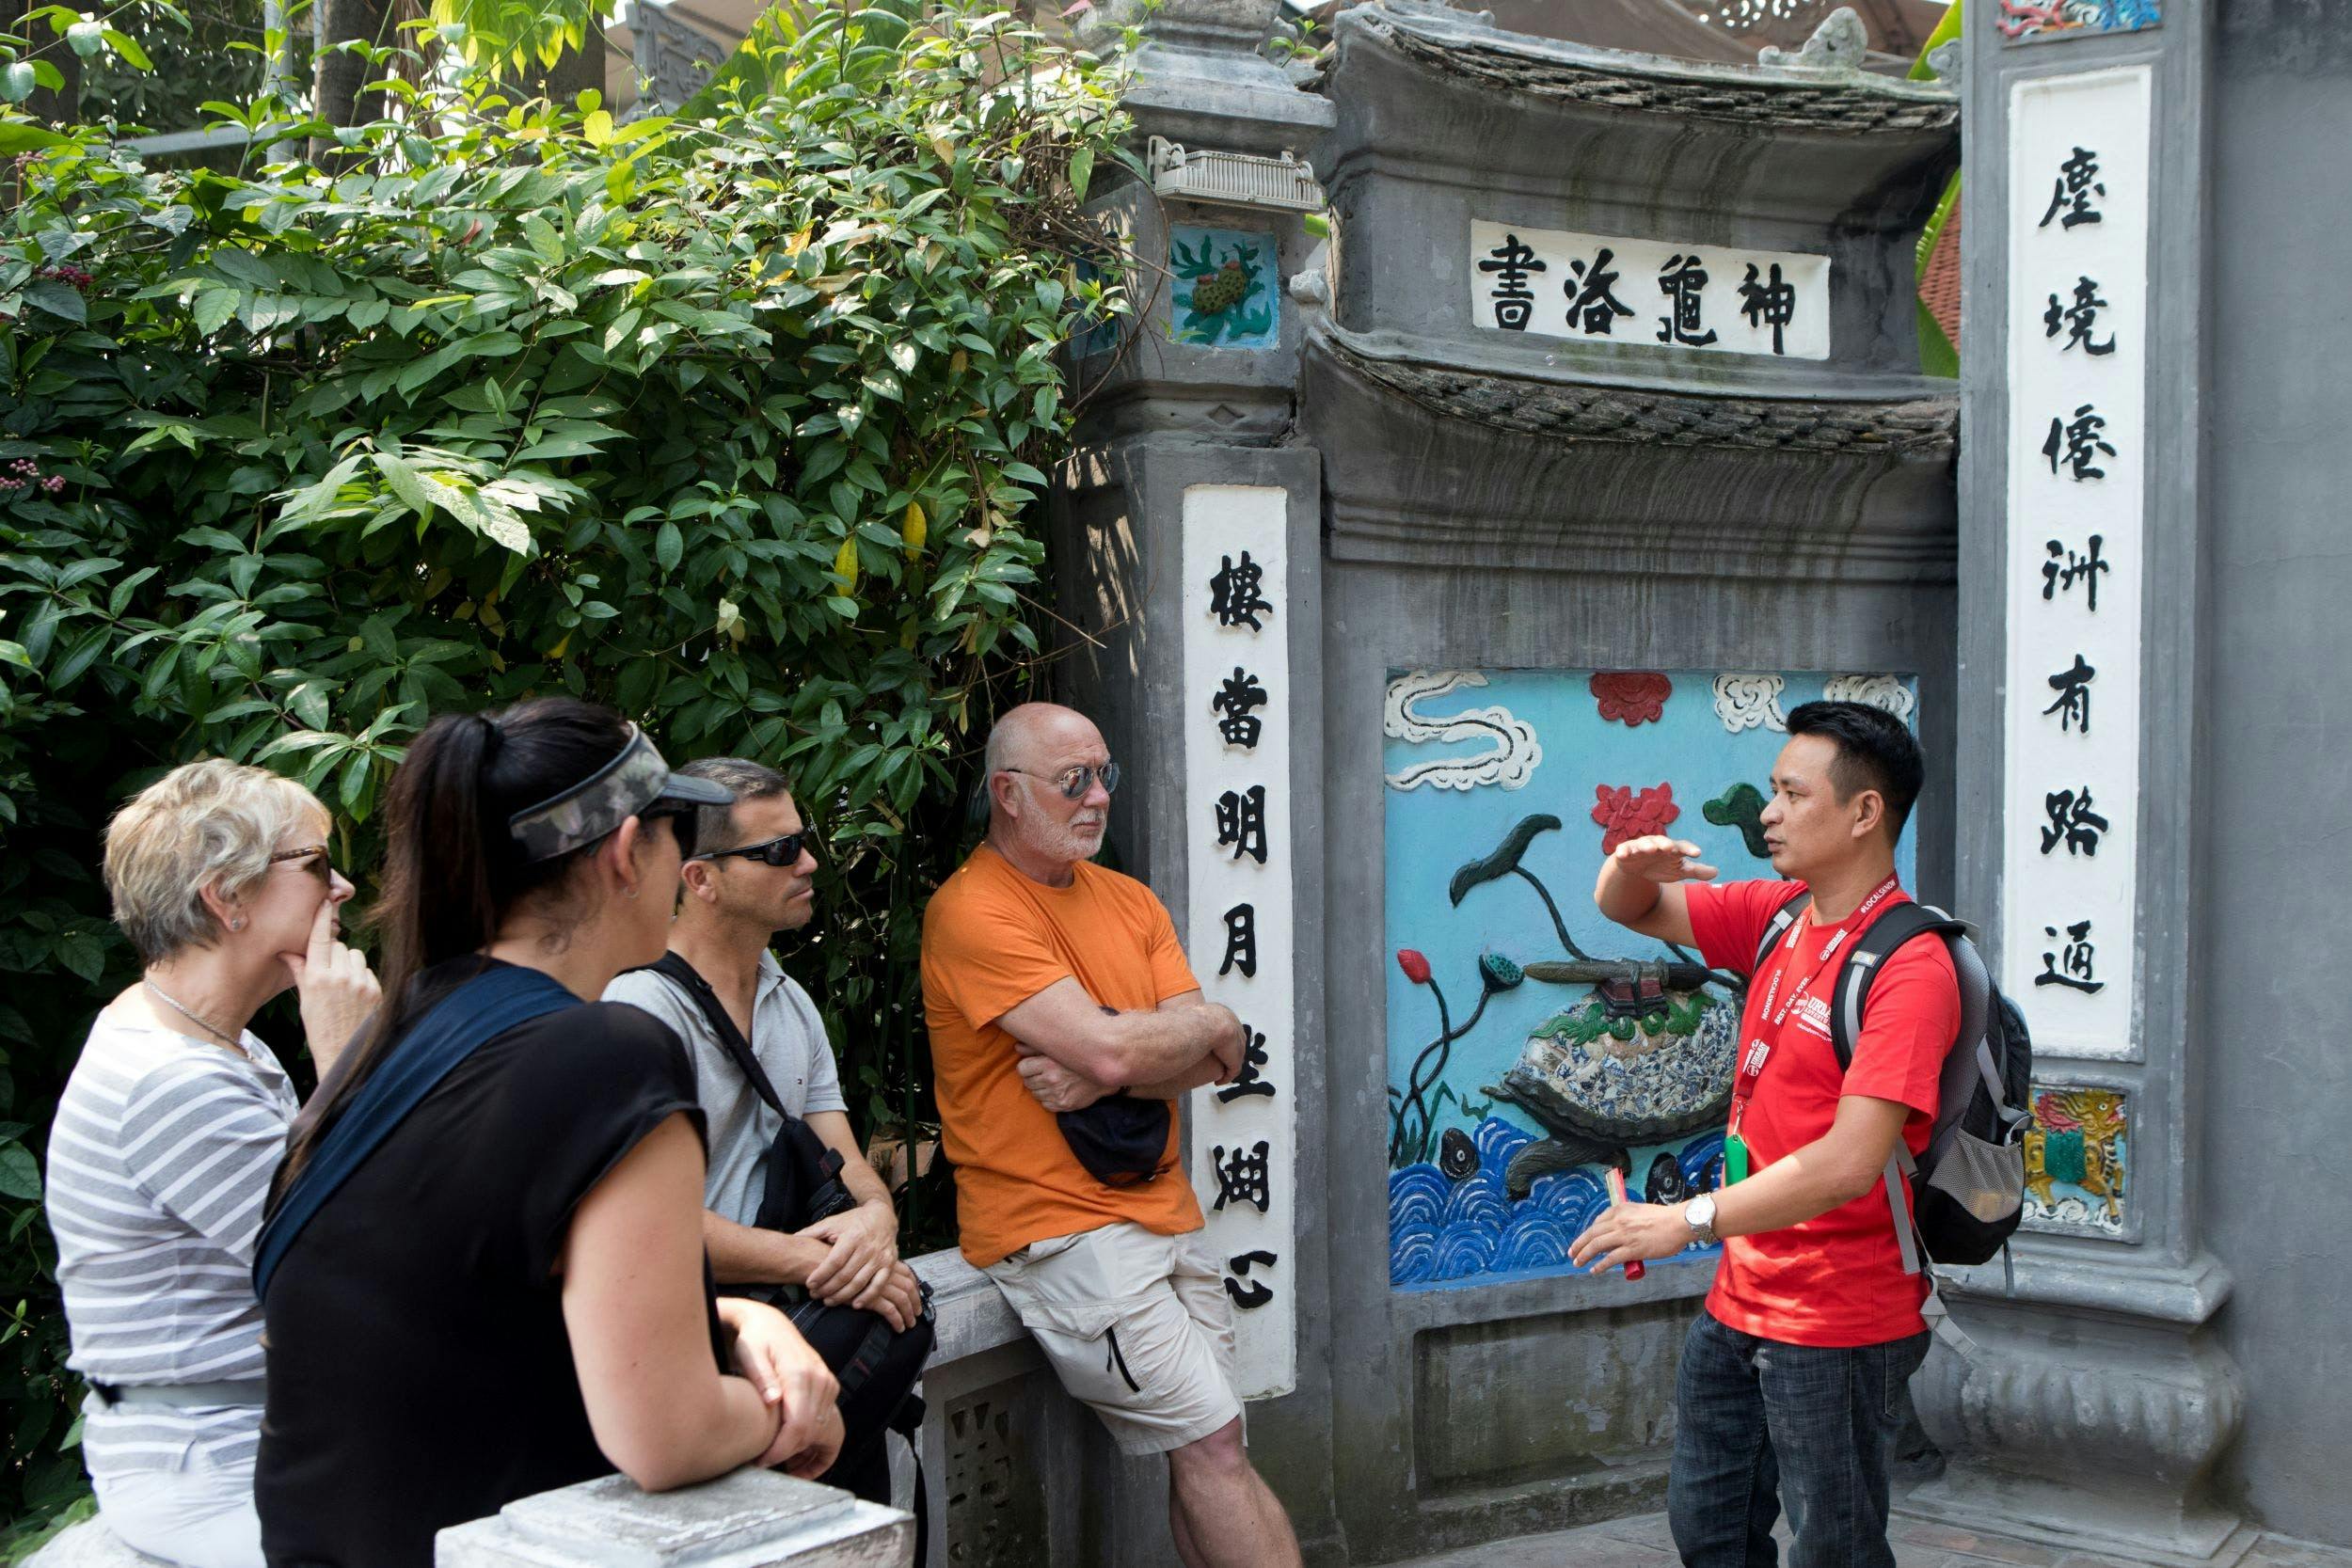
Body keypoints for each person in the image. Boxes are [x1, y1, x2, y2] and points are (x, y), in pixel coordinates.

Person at [252, 701, 841, 1567]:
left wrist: (729, 1315)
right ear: (622, 854)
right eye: (675, 832)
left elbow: (455, 1301)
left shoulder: (394, 1036)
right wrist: (793, 1407)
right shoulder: (609, 1053)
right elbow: (664, 1435)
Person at [1568, 700, 1961, 1568]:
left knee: (1837, 1546)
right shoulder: (1781, 914)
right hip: (1742, 1292)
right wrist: (1631, 864)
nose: (1768, 812)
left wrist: (1684, 1220)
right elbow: (1633, 908)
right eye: (1771, 791)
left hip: (1841, 1317)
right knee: (1706, 1526)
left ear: (1864, 812)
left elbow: (1850, 1163)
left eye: (1790, 793)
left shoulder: (1910, 965)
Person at [921, 702, 1301, 1568]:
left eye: (1104, 775)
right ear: (1008, 794)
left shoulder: (1127, 899)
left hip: (1162, 1210)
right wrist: (1143, 1044)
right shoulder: (973, 911)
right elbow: (1117, 1045)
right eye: (1073, 781)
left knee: (1210, 1447)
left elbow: (1222, 1054)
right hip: (1063, 1231)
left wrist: (1168, 1038)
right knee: (1211, 1446)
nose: (1097, 797)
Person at [45, 760, 381, 1568]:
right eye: (314, 865)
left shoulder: (216, 1041)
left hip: (253, 1437)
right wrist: (345, 1060)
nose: (341, 887)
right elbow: (357, 1266)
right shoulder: (173, 1081)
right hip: (217, 1465)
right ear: (227, 898)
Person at [603, 756, 925, 1506]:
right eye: (779, 850)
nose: (808, 862)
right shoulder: (641, 1014)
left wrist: (876, 1222)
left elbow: (843, 1156)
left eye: (802, 840)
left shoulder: (791, 1000)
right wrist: (813, 1261)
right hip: (707, 1348)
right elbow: (641, 1225)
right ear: (700, 879)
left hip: (810, 1329)